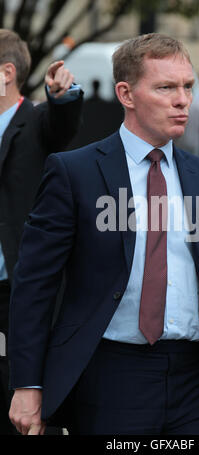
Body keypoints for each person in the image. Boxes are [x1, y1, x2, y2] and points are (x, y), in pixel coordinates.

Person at [8, 33, 199, 436]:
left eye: (187, 86)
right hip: (110, 377)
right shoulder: (74, 173)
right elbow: (34, 283)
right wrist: (27, 383)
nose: (182, 99)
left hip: (198, 381)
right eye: (166, 87)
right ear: (126, 94)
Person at [0, 29, 83, 435]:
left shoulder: (35, 121)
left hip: (16, 292)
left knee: (23, 406)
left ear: (6, 73)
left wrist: (60, 96)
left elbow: (62, 124)